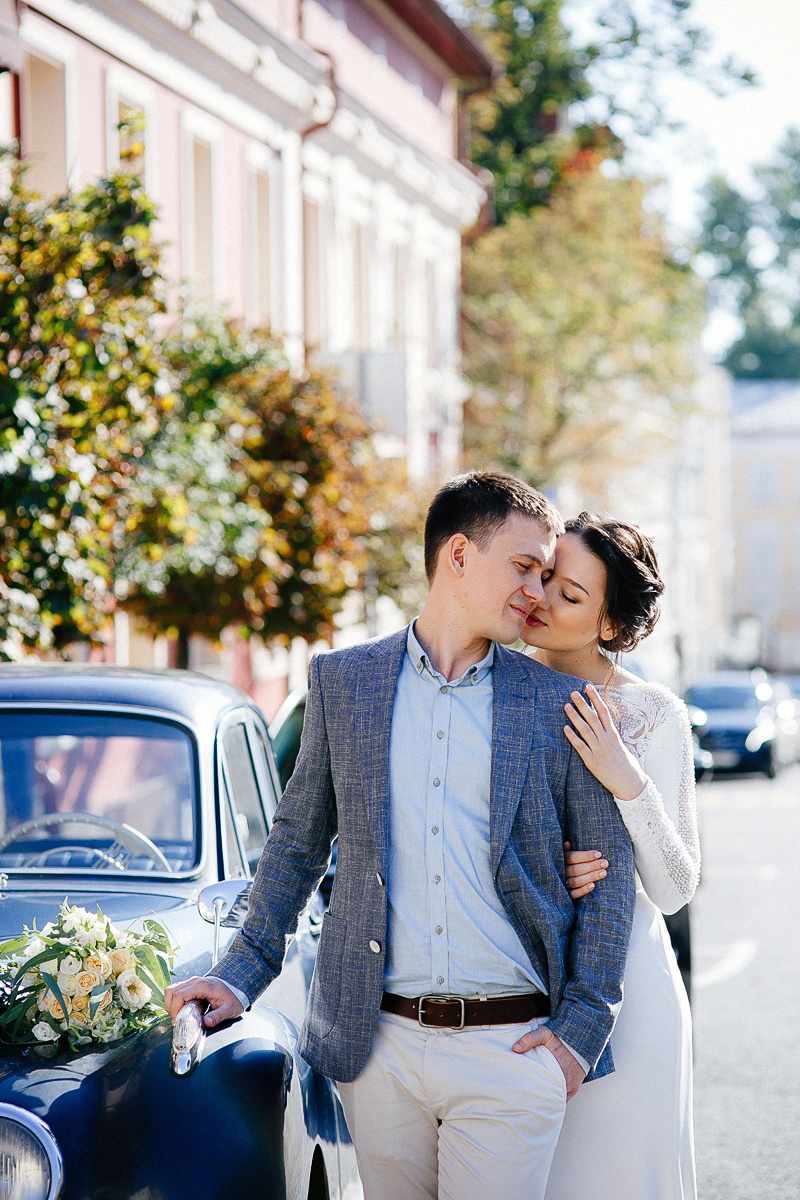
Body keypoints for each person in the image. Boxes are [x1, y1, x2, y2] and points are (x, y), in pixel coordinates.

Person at [165, 472, 637, 1200]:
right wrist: (238, 973)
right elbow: (297, 843)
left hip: (512, 1051)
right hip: (377, 1048)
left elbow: (608, 884)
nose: (537, 593)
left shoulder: (559, 702)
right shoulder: (342, 682)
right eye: (524, 568)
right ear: (457, 555)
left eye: (546, 576)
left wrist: (578, 1034)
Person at [519, 511, 700, 1200]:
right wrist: (541, 868)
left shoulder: (655, 714)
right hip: (516, 992)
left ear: (611, 626)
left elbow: (678, 886)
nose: (540, 600)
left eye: (569, 597)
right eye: (544, 579)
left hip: (633, 998)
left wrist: (629, 782)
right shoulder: (492, 685)